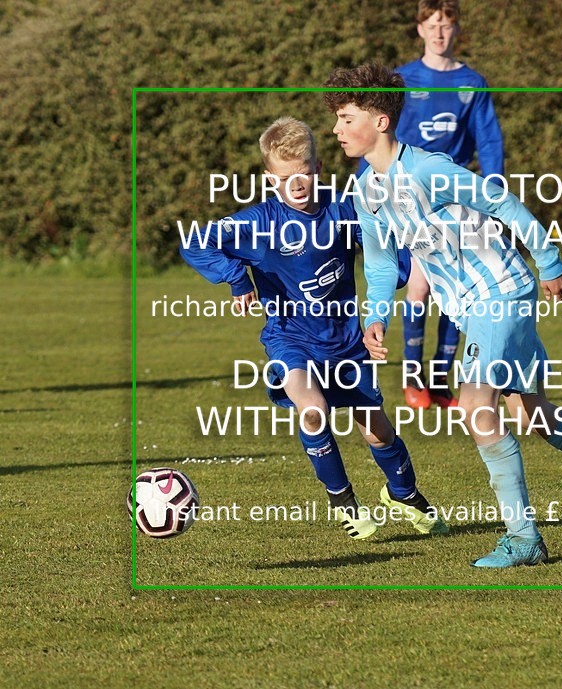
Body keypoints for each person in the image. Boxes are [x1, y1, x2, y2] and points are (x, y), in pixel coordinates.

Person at [323, 63, 562, 567]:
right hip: (480, 305)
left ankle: (524, 539)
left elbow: (500, 201)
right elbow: (376, 265)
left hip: (498, 293)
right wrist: (375, 318)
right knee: (531, 414)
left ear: (379, 121)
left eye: (346, 118)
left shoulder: (426, 170)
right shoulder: (366, 193)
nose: (336, 129)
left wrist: (548, 260)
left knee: (474, 406)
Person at [180, 116, 448, 541]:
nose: (297, 183)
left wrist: (403, 271)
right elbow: (195, 241)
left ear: (318, 167)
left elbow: (385, 247)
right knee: (313, 408)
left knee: (378, 432)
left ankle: (405, 494)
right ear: (270, 179)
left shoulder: (343, 209)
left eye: (304, 172)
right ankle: (343, 502)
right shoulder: (258, 222)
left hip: (345, 342)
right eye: (286, 177)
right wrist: (236, 277)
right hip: (291, 338)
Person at [395, 0, 505, 410]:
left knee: (457, 291)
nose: (440, 33)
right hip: (411, 194)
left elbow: (489, 141)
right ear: (420, 29)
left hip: (456, 197)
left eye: (447, 26)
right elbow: (380, 137)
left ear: (457, 31)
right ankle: (411, 379)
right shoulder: (402, 79)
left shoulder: (472, 83)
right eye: (432, 25)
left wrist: (493, 193)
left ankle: (439, 381)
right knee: (421, 285)